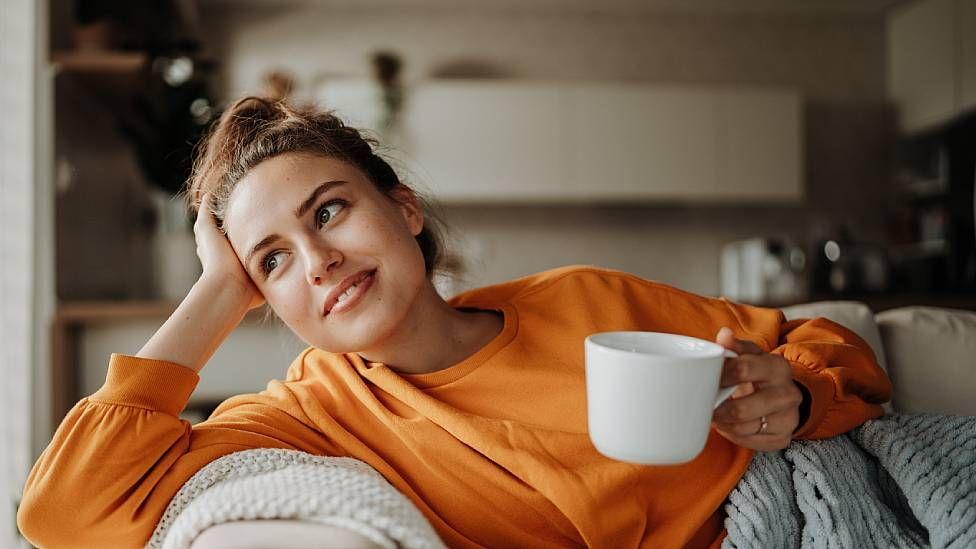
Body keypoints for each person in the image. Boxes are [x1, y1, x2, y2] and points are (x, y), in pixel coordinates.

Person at [17, 97, 893, 548]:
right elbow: (61, 512)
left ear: (403, 211)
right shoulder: (306, 416)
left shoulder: (585, 299)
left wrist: (801, 396)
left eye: (328, 212)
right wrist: (214, 288)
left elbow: (827, 339)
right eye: (271, 260)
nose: (316, 261)